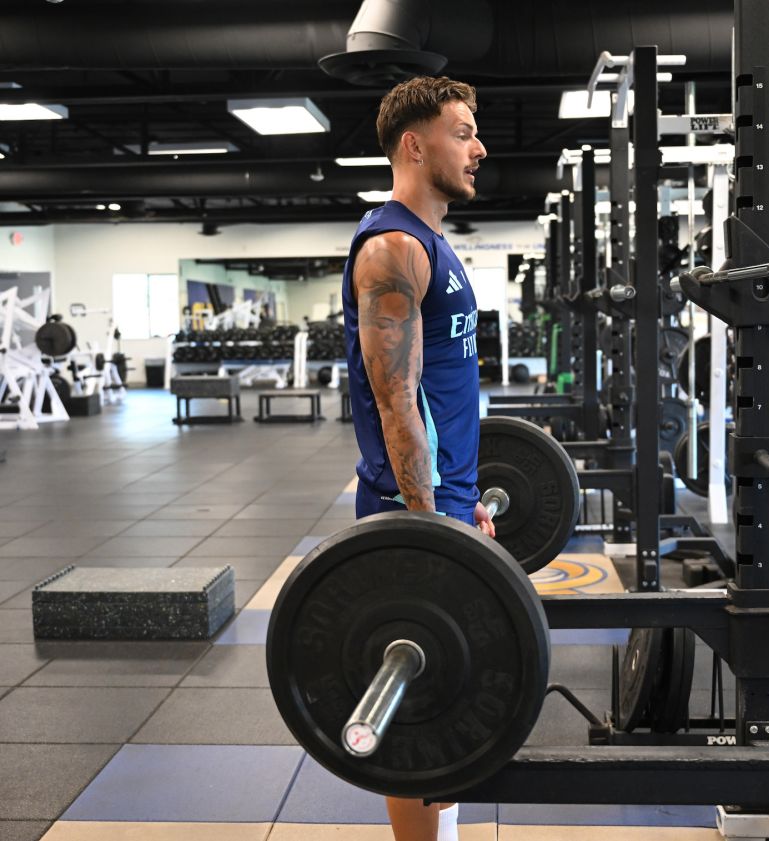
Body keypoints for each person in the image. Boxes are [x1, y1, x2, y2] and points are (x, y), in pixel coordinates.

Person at [340, 76, 490, 841]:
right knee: (416, 710)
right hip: (415, 520)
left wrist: (472, 502)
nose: (479, 147)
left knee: (450, 699)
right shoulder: (393, 247)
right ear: (413, 144)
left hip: (448, 507)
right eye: (462, 131)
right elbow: (396, 402)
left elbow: (448, 391)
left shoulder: (434, 245)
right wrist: (432, 524)